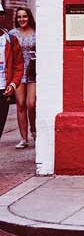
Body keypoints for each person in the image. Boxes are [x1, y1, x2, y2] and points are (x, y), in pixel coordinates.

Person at [9, 8, 34, 148]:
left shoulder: (36, 32)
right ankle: (23, 138)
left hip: (33, 72)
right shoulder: (12, 34)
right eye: (19, 17)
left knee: (31, 103)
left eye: (24, 16)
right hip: (18, 72)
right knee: (20, 104)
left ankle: (34, 130)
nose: (22, 19)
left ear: (29, 17)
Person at [0, 9, 24, 147]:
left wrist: (13, 84)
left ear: (3, 17)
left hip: (4, 88)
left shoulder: (10, 39)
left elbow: (18, 66)